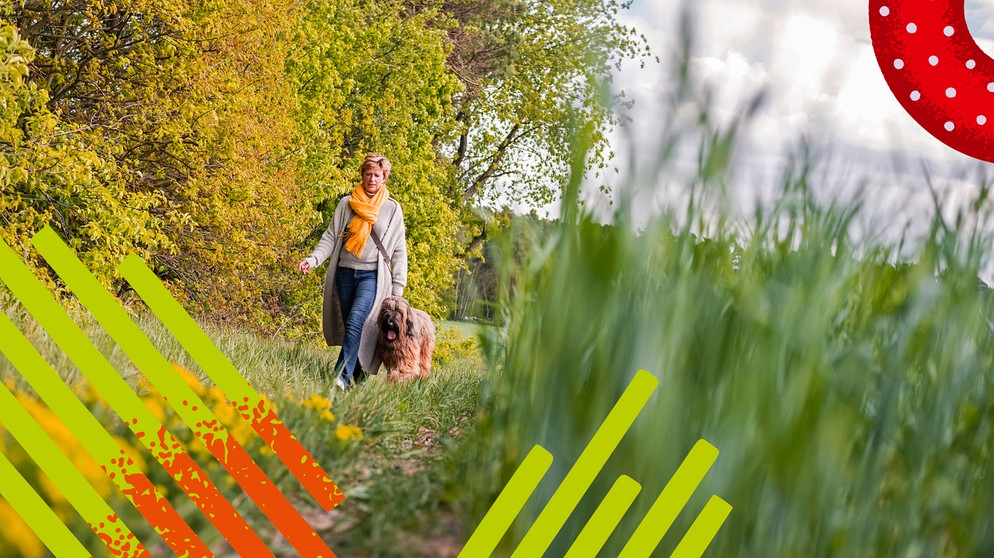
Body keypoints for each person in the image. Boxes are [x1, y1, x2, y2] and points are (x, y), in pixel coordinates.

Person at [298, 153, 408, 391]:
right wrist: (313, 259)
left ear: (384, 178)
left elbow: (399, 249)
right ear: (362, 175)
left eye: (377, 175)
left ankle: (341, 378)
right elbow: (330, 237)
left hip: (373, 277)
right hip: (345, 273)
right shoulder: (346, 203)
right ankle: (357, 377)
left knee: (358, 320)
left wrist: (397, 287)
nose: (372, 179)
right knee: (352, 326)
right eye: (368, 174)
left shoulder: (392, 209)